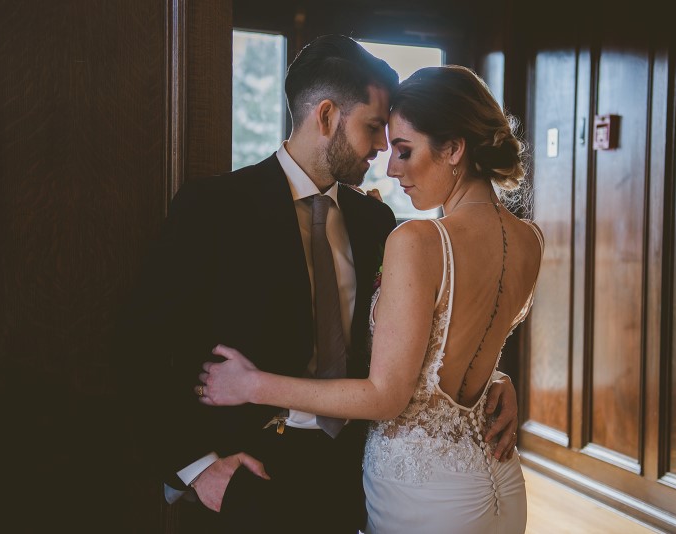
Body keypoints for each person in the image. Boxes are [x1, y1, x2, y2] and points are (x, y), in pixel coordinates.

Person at [119, 36, 520, 534]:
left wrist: (488, 381)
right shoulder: (213, 208)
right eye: (374, 128)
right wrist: (198, 468)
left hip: (357, 477)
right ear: (326, 116)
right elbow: (142, 348)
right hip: (247, 476)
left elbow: (407, 344)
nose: (382, 148)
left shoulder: (378, 222)